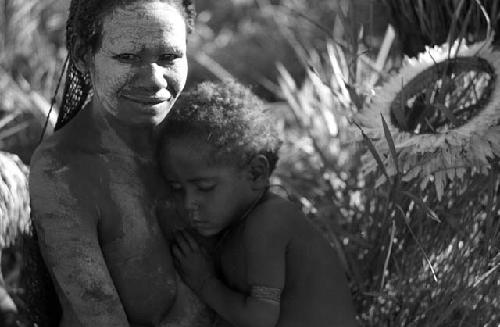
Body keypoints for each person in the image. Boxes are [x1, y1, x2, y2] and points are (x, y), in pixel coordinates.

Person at [28, 1, 210, 326]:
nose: (154, 80)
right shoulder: (63, 170)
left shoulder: (203, 136)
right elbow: (97, 313)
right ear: (84, 58)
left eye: (169, 57)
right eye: (127, 57)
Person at [158, 81, 359, 327]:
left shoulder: (268, 222)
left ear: (256, 173)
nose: (189, 203)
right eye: (177, 189)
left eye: (205, 188)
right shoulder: (243, 222)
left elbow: (260, 318)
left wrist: (204, 282)